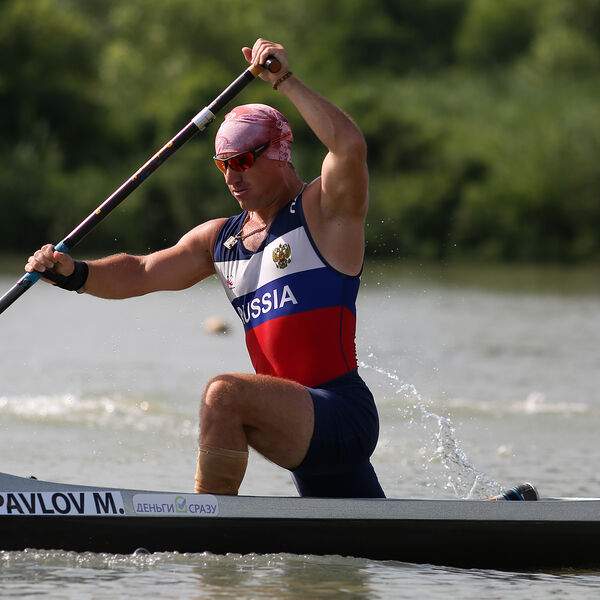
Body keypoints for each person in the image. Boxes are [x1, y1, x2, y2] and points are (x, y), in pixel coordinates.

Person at [25, 38, 385, 499]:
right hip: (293, 419)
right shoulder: (219, 240)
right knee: (364, 535)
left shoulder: (323, 211)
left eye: (243, 161)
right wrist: (72, 272)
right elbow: (141, 271)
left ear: (279, 151)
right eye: (223, 165)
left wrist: (285, 81)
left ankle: (202, 524)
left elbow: (349, 147)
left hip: (341, 413)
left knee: (224, 395)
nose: (232, 176)